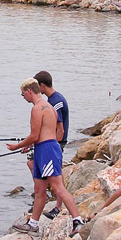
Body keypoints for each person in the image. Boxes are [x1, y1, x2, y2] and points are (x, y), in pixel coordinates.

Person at [8, 78, 86, 235]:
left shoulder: (37, 109)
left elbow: (35, 135)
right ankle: (33, 224)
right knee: (39, 189)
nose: (23, 97)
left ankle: (78, 221)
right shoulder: (50, 106)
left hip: (47, 150)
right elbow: (47, 132)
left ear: (29, 91)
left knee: (57, 187)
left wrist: (18, 146)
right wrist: (30, 145)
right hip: (44, 148)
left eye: (23, 94)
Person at [33, 71, 70, 220]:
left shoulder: (56, 101)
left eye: (37, 86)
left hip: (55, 143)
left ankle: (58, 206)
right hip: (50, 142)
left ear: (42, 85)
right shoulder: (51, 99)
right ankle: (41, 195)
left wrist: (55, 145)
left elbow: (59, 128)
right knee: (33, 164)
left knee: (57, 177)